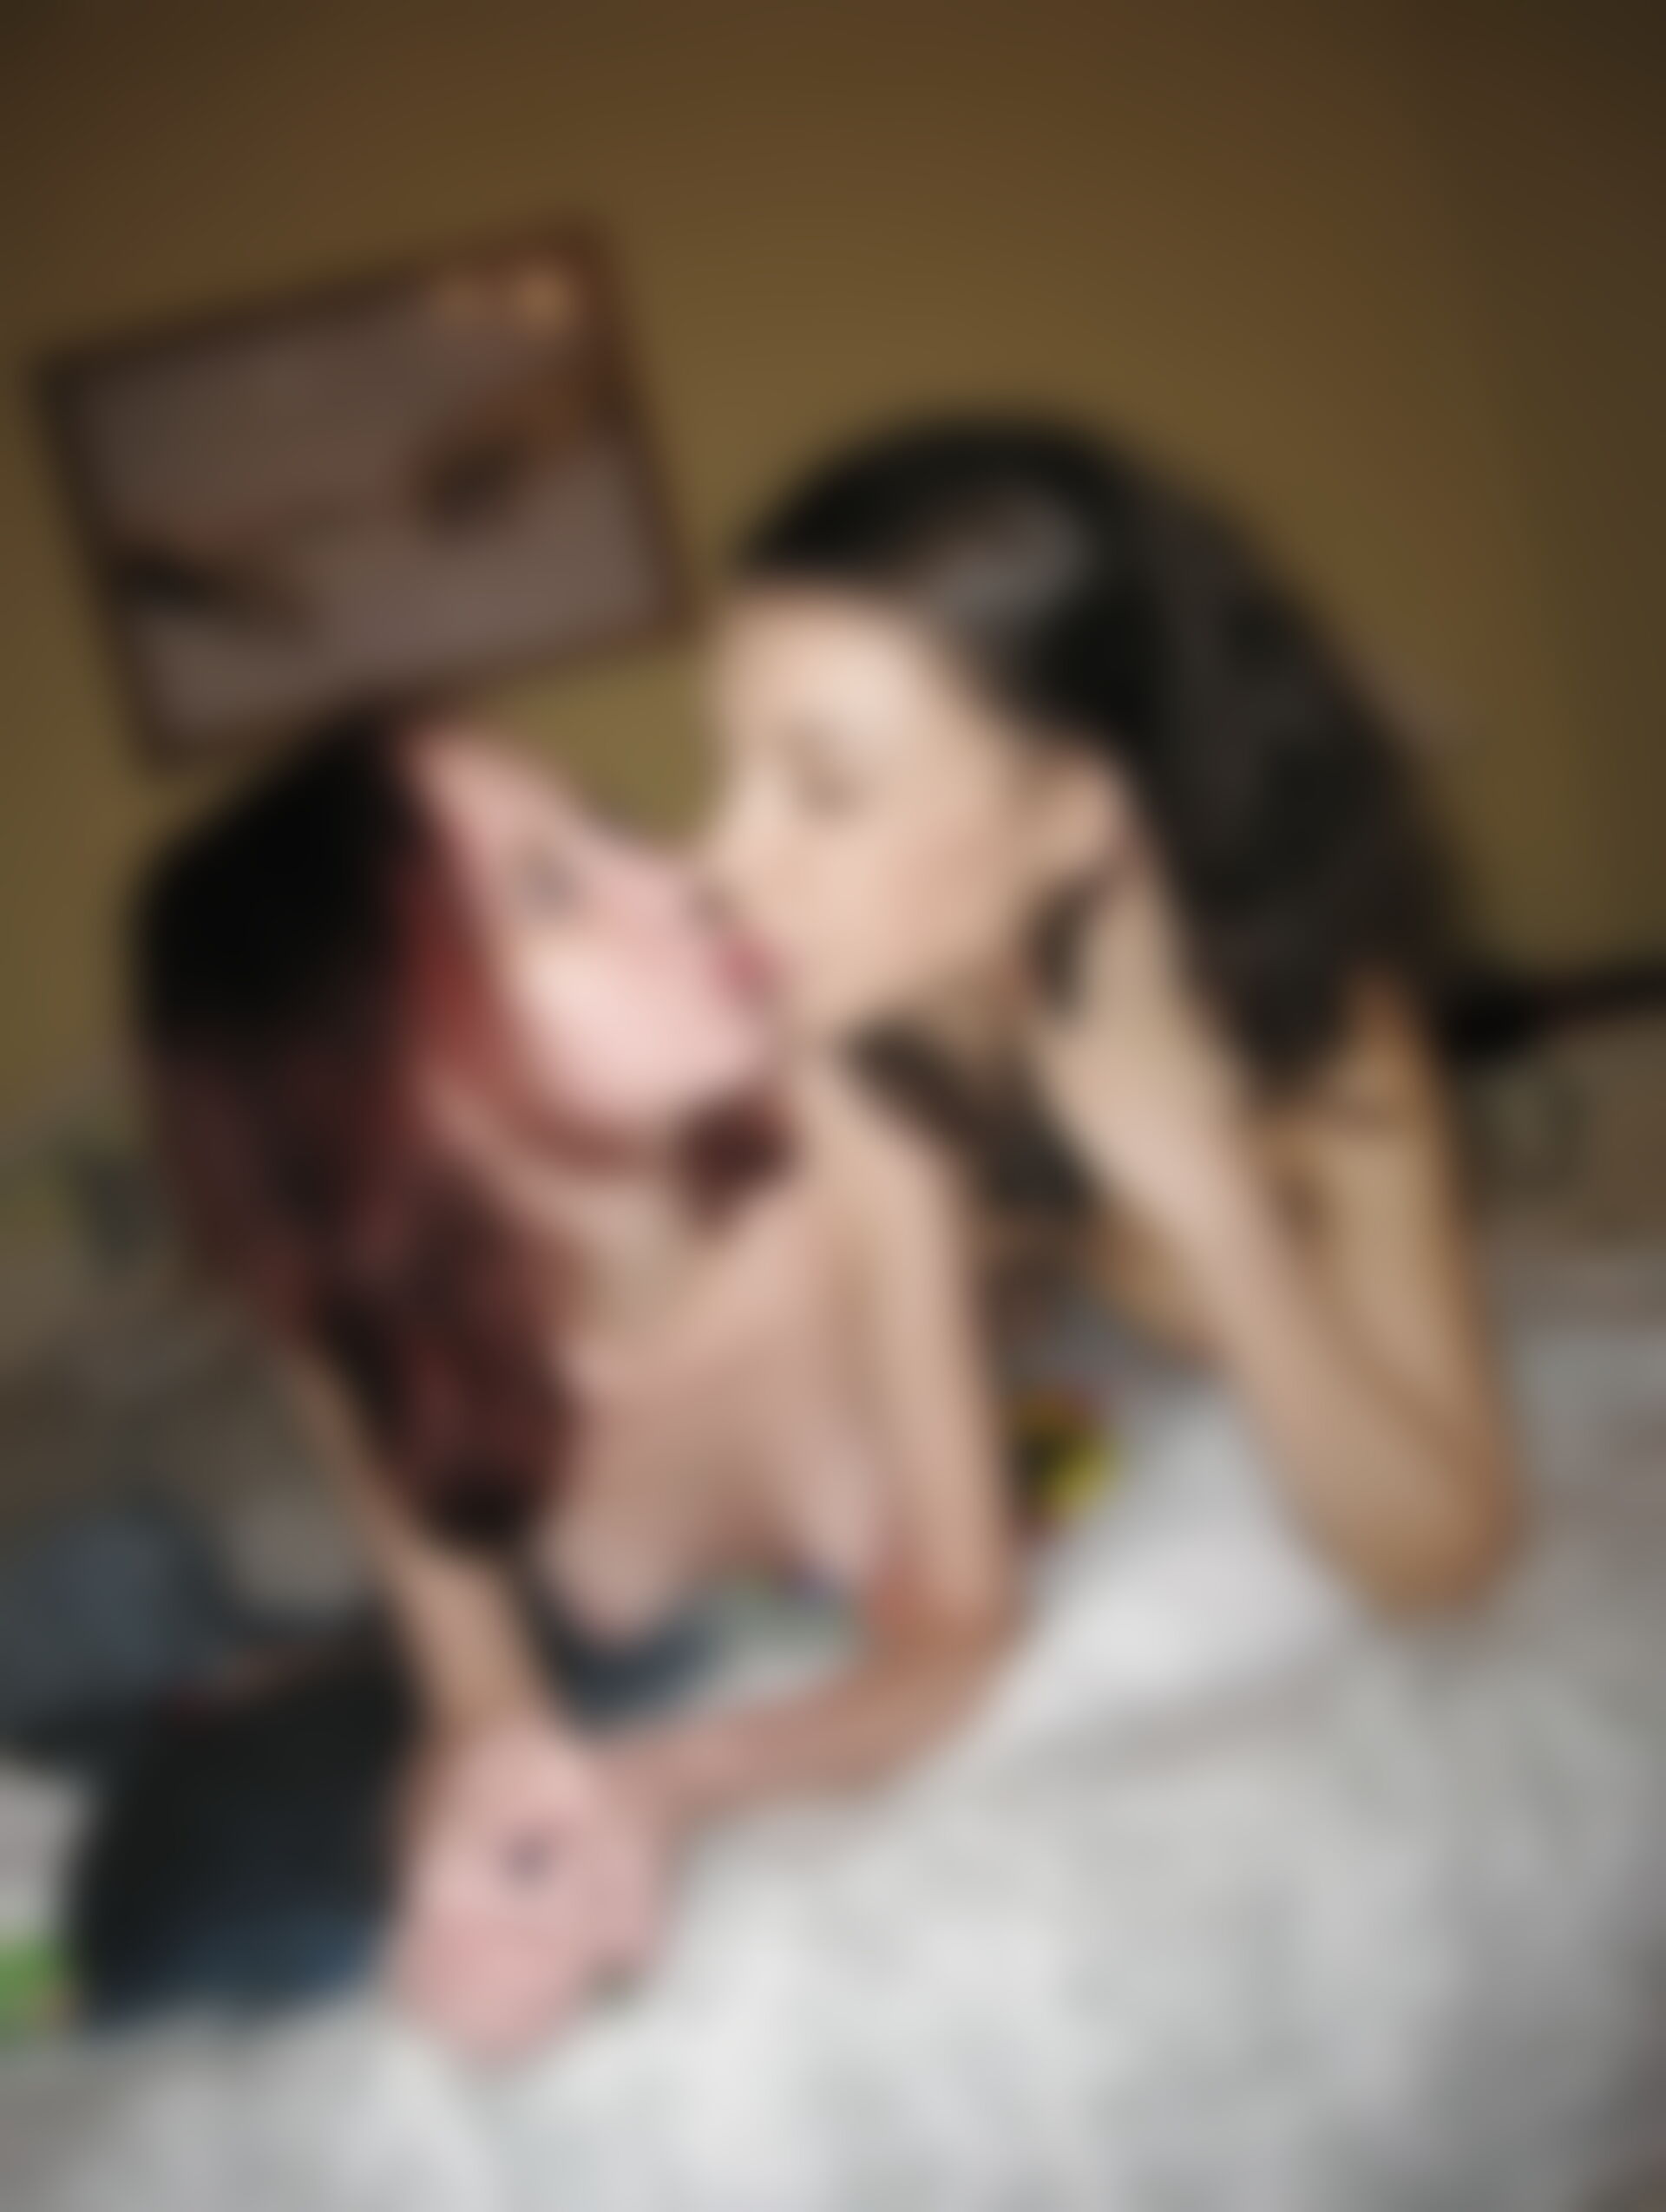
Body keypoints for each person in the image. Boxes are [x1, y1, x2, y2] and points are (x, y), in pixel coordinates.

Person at [81, 717, 1018, 2055]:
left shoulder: (863, 1123)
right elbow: (483, 1714)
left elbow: (965, 1626)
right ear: (380, 1081)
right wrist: (462, 1836)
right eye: (548, 886)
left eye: (611, 828)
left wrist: (672, 1778)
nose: (688, 873)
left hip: (645, 1686)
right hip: (490, 1660)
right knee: (171, 1920)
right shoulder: (370, 1345)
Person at [703, 416, 1521, 1613]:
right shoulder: (857, 1025)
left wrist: (1203, 1189)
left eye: (824, 790)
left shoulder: (1327, 1025)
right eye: (731, 768)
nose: (718, 863)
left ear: (1076, 809)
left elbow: (1445, 1558)